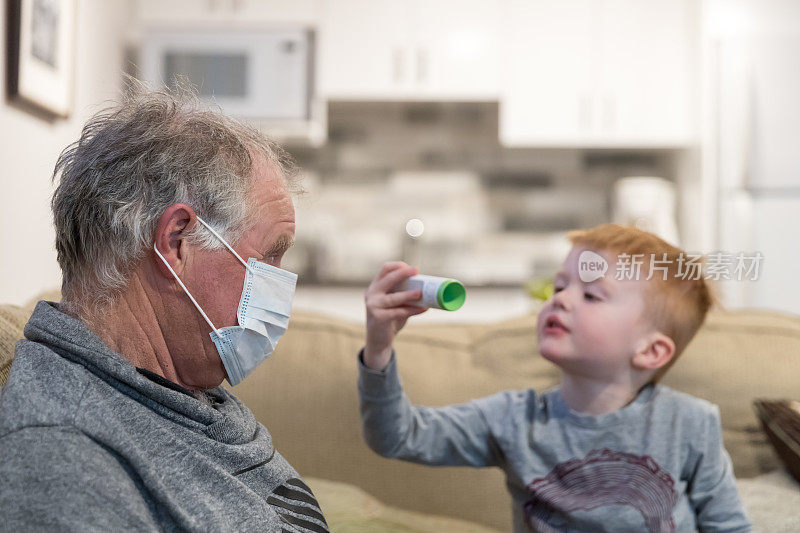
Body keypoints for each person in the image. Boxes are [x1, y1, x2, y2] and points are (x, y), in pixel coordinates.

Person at [0, 84, 329, 532]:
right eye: (271, 255)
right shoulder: (64, 459)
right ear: (176, 242)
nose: (281, 284)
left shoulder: (178, 380)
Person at [358, 223, 752, 532]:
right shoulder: (513, 419)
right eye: (560, 285)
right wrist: (379, 348)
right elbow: (398, 436)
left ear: (651, 351)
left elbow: (728, 526)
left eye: (592, 295)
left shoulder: (692, 423)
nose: (560, 299)